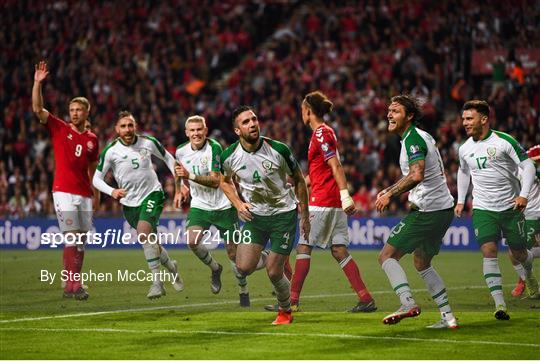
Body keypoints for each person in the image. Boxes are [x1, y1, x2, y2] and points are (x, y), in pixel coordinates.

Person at [270, 91, 376, 313]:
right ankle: (366, 298)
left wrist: (346, 195)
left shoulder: (321, 134)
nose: (301, 113)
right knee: (339, 250)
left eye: (301, 109)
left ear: (308, 111)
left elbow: (335, 166)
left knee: (303, 246)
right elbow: (318, 174)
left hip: (322, 201)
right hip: (332, 201)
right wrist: (295, 183)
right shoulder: (323, 134)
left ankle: (291, 302)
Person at [220, 105, 310, 325]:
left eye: (254, 119)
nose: (252, 124)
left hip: (283, 215)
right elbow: (224, 181)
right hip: (255, 217)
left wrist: (305, 216)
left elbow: (298, 179)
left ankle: (285, 312)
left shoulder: (278, 149)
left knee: (273, 271)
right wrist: (238, 203)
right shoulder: (229, 156)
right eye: (246, 122)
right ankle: (271, 256)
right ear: (237, 131)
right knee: (242, 267)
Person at [375, 95, 458, 328]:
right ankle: (448, 317)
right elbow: (415, 174)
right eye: (388, 110)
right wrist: (389, 189)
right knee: (421, 262)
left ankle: (407, 303)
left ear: (409, 116)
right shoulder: (420, 136)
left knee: (386, 256)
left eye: (396, 111)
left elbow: (416, 175)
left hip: (428, 211)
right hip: (443, 209)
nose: (389, 115)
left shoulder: (412, 139)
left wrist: (390, 194)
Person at [455, 100, 538, 319]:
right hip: (483, 208)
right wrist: (461, 200)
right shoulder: (464, 148)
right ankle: (500, 305)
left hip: (510, 207)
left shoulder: (503, 141)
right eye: (463, 119)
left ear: (484, 119)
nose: (464, 123)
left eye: (469, 118)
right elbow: (463, 172)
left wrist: (524, 194)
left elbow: (528, 165)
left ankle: (529, 274)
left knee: (519, 254)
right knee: (489, 251)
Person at [92, 111, 184, 299]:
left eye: (130, 125)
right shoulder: (110, 151)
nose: (127, 129)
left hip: (153, 194)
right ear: (117, 129)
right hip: (129, 203)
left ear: (135, 127)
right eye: (123, 126)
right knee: (152, 243)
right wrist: (112, 191)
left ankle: (157, 283)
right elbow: (96, 179)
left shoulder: (148, 142)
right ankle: (171, 267)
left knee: (143, 233)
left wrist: (179, 185)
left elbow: (168, 158)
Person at [32, 61, 99, 300]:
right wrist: (38, 83)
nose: (74, 113)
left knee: (80, 241)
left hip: (84, 194)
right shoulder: (60, 128)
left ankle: (71, 287)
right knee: (71, 236)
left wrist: (96, 195)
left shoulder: (92, 139)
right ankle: (74, 284)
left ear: (86, 112)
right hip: (64, 191)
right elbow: (38, 109)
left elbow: (93, 171)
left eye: (79, 110)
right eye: (72, 110)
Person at [175, 115, 254, 307]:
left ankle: (243, 289)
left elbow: (215, 181)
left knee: (233, 254)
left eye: (199, 130)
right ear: (187, 133)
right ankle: (215, 268)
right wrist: (179, 189)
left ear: (205, 130)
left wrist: (189, 176)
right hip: (200, 205)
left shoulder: (215, 148)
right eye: (192, 130)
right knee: (192, 241)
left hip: (224, 205)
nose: (196, 134)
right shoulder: (180, 151)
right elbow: (177, 170)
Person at [509, 145, 540, 297]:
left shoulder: (533, 170)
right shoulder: (522, 169)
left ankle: (525, 282)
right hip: (524, 214)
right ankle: (526, 280)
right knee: (513, 253)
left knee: (516, 253)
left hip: (534, 215)